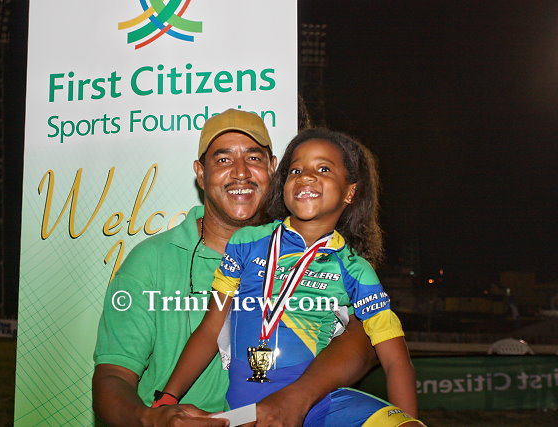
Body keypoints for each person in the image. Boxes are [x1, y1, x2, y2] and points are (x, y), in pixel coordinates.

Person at [92, 110, 382, 426]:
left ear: (273, 169)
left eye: (254, 159)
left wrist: (297, 397)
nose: (241, 173)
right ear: (200, 173)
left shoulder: (315, 248)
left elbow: (364, 339)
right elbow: (112, 375)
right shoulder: (152, 260)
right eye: (223, 160)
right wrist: (149, 418)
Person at [160, 128, 423, 426]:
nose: (306, 176)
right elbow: (211, 328)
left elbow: (395, 360)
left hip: (320, 406)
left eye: (323, 169)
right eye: (296, 170)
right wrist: (167, 397)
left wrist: (408, 419)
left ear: (350, 192)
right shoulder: (246, 242)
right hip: (248, 413)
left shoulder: (355, 269)